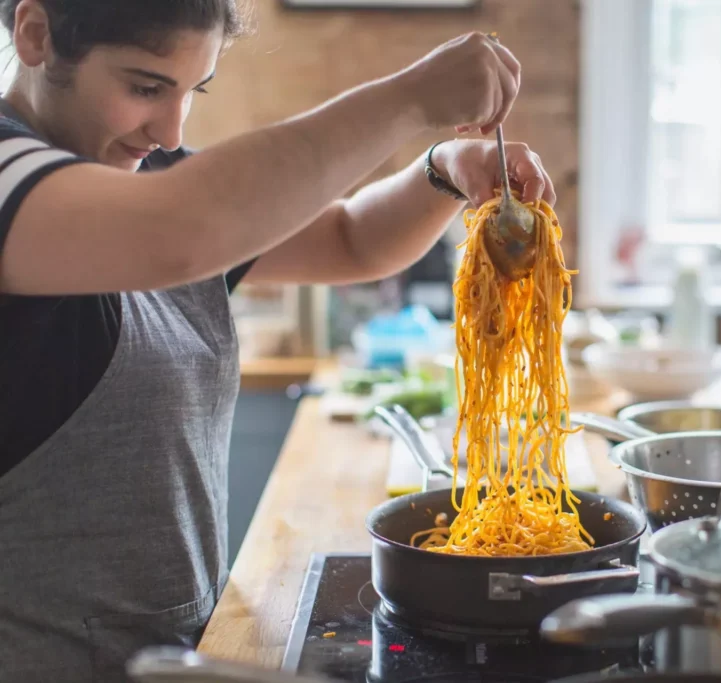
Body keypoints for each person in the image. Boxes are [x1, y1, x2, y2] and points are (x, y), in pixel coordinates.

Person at [0, 1, 558, 681]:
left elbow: (350, 238)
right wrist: (412, 97)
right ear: (35, 34)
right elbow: (184, 230)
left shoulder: (148, 175)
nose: (170, 127)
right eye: (144, 87)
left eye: (192, 92)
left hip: (167, 651)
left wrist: (443, 170)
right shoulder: (15, 171)